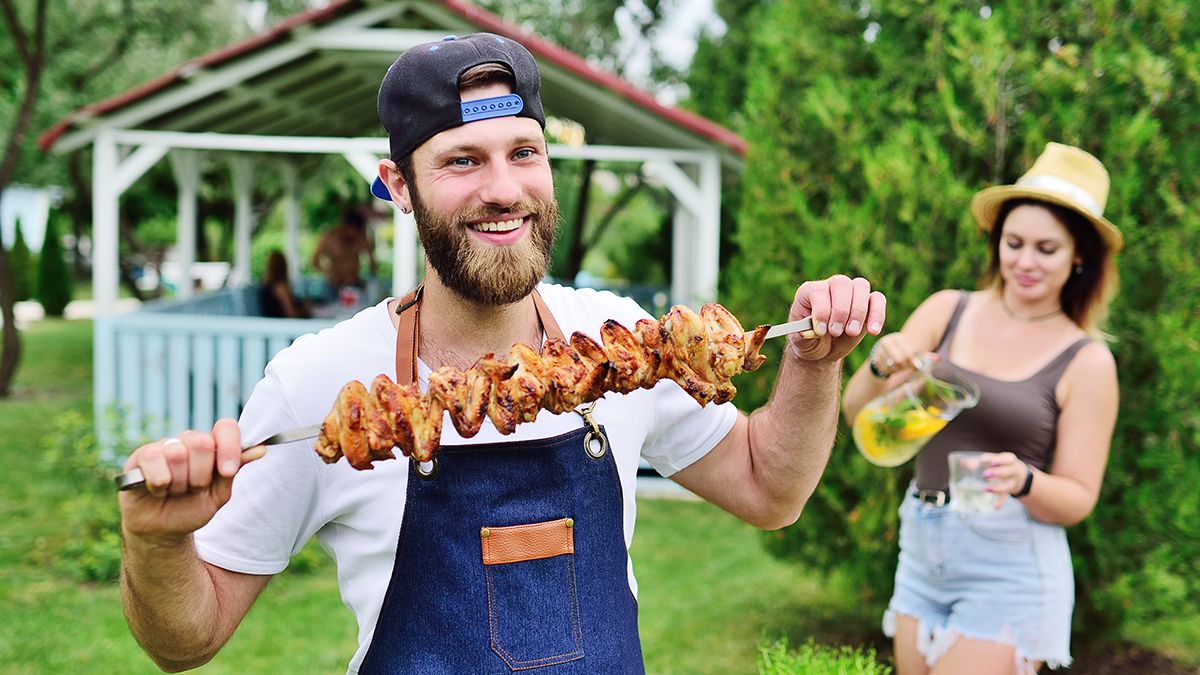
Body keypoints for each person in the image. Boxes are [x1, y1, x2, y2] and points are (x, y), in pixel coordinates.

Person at [117, 33, 886, 673]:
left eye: (524, 152)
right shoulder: (321, 382)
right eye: (462, 160)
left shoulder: (618, 341)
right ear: (400, 185)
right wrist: (157, 542)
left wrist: (814, 365)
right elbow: (190, 636)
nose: (503, 188)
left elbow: (768, 489)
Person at [842, 143, 1121, 675]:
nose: (1025, 261)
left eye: (1047, 248)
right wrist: (881, 363)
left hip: (1009, 567)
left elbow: (1078, 497)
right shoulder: (949, 310)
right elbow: (856, 413)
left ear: (1078, 257)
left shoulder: (1086, 361)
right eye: (1014, 243)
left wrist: (1024, 480)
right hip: (922, 549)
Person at [312, 206, 377, 298]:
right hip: (332, 286)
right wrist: (329, 273)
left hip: (354, 285)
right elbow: (315, 262)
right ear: (343, 225)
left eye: (356, 231)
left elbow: (373, 263)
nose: (352, 234)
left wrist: (368, 279)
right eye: (350, 230)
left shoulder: (362, 238)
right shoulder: (329, 237)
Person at [259, 250, 310, 318]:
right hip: (283, 325)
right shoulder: (280, 288)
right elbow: (292, 315)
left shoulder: (266, 286)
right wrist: (306, 309)